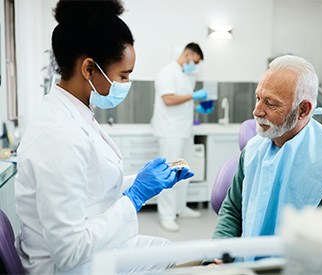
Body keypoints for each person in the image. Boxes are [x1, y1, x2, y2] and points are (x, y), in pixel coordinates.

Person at [14, 1, 193, 274]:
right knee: (184, 263)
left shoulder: (74, 113)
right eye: (123, 75)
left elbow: (90, 189)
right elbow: (69, 251)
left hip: (94, 252)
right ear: (88, 69)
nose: (126, 85)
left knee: (176, 253)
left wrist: (142, 181)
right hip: (68, 267)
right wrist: (134, 196)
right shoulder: (58, 134)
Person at [213, 55, 322, 251]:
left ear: (303, 109)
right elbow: (232, 210)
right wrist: (216, 257)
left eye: (271, 103)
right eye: (258, 98)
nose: (257, 111)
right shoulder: (253, 149)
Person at [151, 43, 211, 232]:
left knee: (184, 171)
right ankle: (166, 215)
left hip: (184, 130)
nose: (194, 66)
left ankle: (180, 208)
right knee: (170, 172)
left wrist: (196, 107)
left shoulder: (185, 75)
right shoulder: (167, 72)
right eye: (194, 61)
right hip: (170, 131)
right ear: (187, 54)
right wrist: (193, 95)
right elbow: (168, 100)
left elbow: (182, 101)